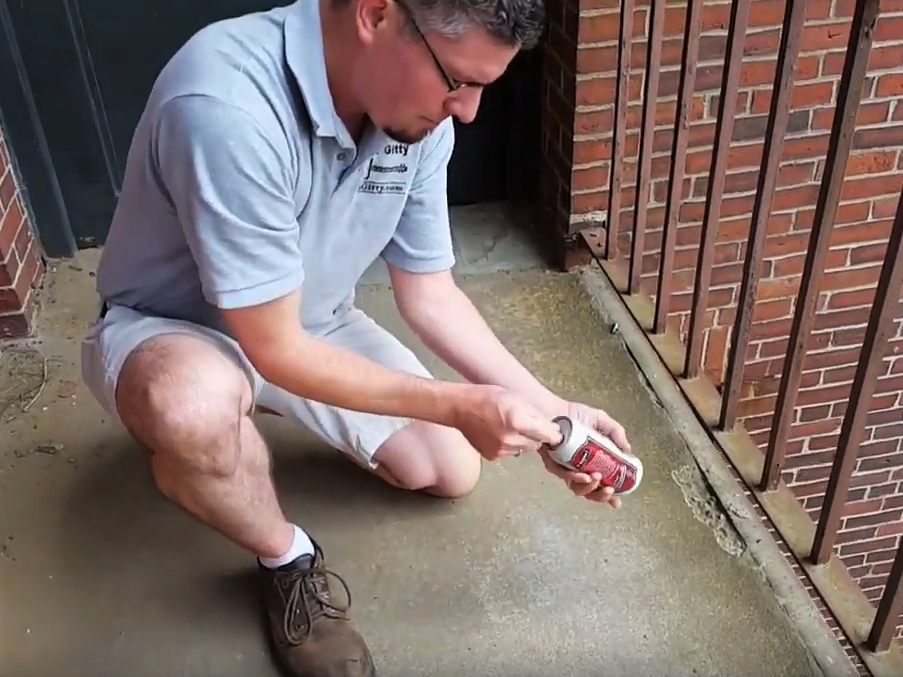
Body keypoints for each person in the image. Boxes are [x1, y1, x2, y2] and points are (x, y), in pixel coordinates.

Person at [79, 1, 636, 675]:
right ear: (374, 13)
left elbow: (429, 294)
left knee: (448, 470)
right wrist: (461, 403)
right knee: (191, 406)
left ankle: (240, 420)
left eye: (484, 87)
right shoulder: (224, 104)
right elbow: (274, 348)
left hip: (307, 319)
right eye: (457, 81)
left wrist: (551, 411)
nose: (467, 111)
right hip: (173, 329)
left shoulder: (415, 115)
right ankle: (284, 555)